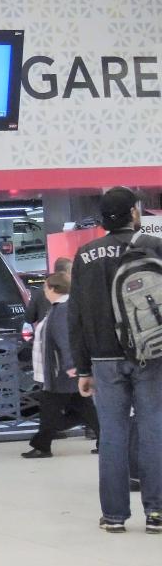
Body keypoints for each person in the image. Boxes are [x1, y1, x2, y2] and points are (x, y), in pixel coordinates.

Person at [68, 186, 162, 533]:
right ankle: (157, 513)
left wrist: (83, 367)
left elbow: (76, 316)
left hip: (104, 358)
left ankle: (114, 516)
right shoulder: (154, 247)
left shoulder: (86, 255)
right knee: (154, 430)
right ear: (134, 213)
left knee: (112, 435)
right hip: (151, 354)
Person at [21, 273, 98, 459]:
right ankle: (106, 439)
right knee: (84, 408)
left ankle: (42, 446)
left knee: (50, 410)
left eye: (45, 288)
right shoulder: (62, 308)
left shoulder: (61, 310)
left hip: (59, 372)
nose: (44, 292)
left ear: (54, 288)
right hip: (61, 370)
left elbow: (65, 340)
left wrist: (71, 365)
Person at [25, 256, 73, 325]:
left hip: (46, 329)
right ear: (67, 273)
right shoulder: (74, 291)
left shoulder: (40, 291)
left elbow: (29, 318)